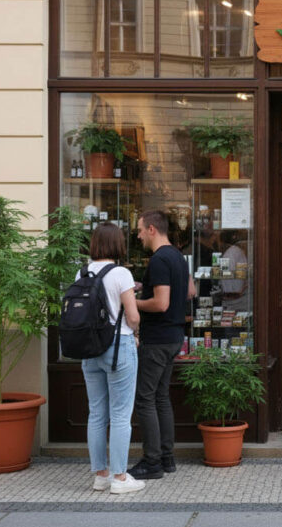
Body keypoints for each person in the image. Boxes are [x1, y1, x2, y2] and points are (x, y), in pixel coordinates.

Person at [128, 210, 195, 480]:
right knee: (160, 397)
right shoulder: (178, 256)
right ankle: (166, 458)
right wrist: (145, 286)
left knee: (145, 399)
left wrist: (132, 302)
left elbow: (161, 303)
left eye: (141, 229)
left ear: (153, 229)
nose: (139, 234)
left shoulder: (158, 259)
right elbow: (189, 291)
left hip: (156, 339)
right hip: (174, 337)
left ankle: (152, 462)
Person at [81, 223, 144, 494]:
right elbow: (132, 316)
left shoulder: (82, 271)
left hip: (89, 349)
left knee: (96, 413)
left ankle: (100, 475)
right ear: (118, 244)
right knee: (120, 414)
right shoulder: (121, 273)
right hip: (118, 346)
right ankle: (119, 478)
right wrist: (136, 332)